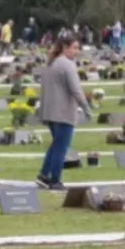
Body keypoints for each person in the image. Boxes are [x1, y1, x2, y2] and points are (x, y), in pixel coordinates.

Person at [36, 36, 92, 190]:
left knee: (56, 145)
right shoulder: (67, 65)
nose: (76, 51)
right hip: (64, 112)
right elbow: (76, 90)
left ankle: (44, 174)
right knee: (61, 148)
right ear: (65, 47)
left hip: (50, 111)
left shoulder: (50, 63)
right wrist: (87, 108)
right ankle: (55, 180)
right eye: (74, 47)